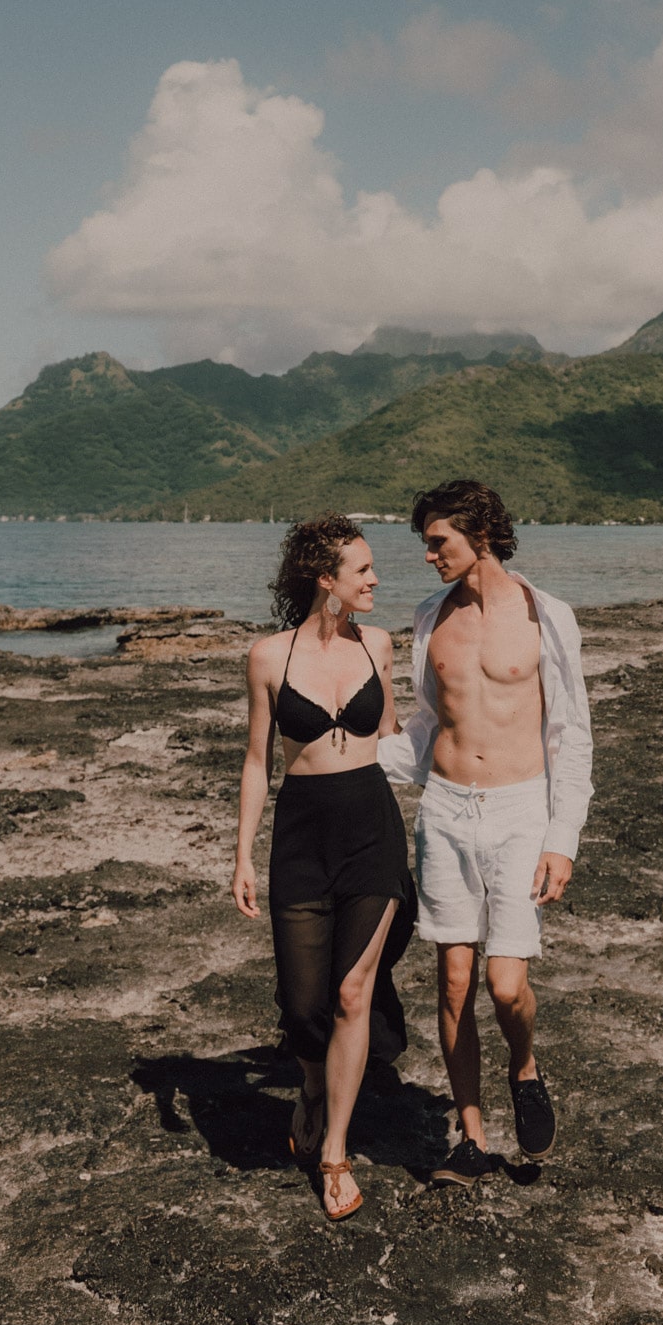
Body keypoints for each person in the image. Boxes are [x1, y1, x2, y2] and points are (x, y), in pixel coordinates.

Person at [379, 479, 593, 1185]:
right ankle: (469, 1137)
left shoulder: (547, 617)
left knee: (506, 988)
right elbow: (423, 722)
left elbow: (573, 734)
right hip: (443, 809)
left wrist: (563, 837)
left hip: (519, 812)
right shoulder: (428, 616)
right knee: (454, 980)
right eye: (426, 544)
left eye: (439, 542)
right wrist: (345, 760)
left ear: (482, 534)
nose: (430, 556)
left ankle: (524, 1068)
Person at [233, 514, 415, 1221]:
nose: (374, 580)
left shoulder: (379, 644)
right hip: (302, 836)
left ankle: (336, 1151)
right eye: (362, 570)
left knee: (350, 993)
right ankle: (313, 1085)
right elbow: (255, 761)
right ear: (326, 580)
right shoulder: (268, 656)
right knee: (304, 1005)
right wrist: (243, 853)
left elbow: (396, 732)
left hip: (373, 829)